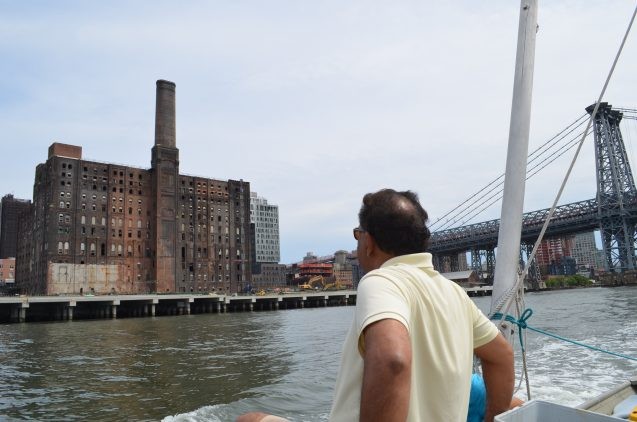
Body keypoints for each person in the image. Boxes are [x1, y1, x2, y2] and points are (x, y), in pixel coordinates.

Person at [238, 188, 514, 422]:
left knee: (248, 419)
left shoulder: (381, 280)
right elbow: (502, 356)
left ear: (368, 241)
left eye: (358, 236)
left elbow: (392, 359)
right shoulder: (454, 291)